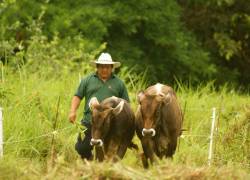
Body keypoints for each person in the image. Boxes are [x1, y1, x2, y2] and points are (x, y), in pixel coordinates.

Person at [68, 52, 130, 160]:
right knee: (81, 148)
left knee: (105, 153)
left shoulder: (119, 83)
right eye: (101, 67)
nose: (104, 69)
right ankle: (89, 159)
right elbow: (77, 96)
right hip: (89, 120)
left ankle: (101, 169)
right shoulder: (87, 80)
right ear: (97, 67)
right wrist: (72, 111)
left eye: (107, 67)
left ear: (112, 68)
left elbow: (125, 104)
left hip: (110, 123)